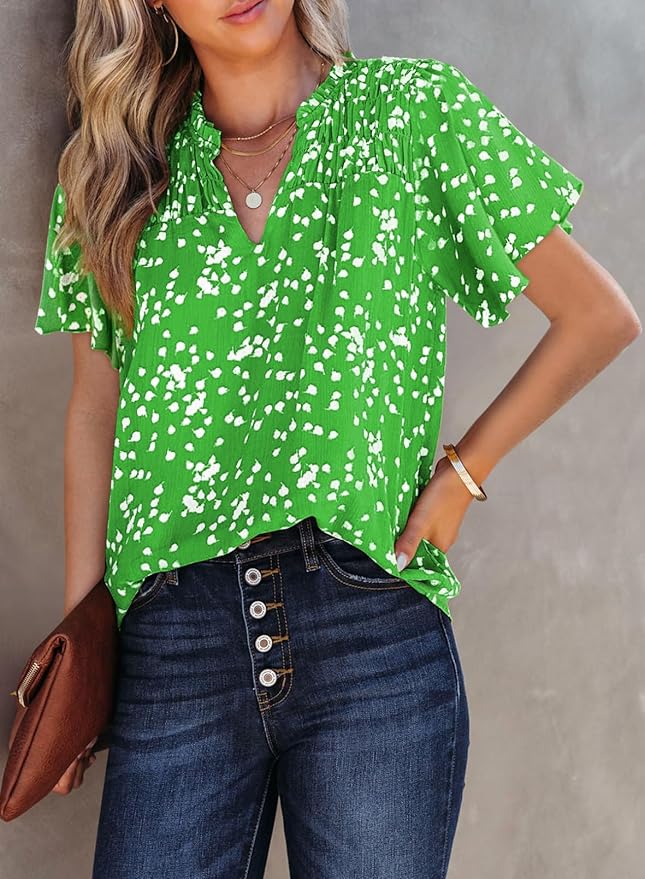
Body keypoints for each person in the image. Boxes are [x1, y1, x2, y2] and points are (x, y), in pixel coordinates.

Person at [33, 0, 640, 876]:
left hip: (370, 629)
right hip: (174, 639)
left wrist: (463, 474)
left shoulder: (412, 114)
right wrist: (84, 645)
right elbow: (96, 408)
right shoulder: (113, 178)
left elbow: (598, 316)